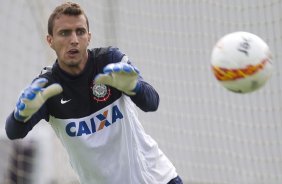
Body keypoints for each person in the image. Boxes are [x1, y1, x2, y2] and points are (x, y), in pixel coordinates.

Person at [5, 2, 183, 184]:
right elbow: (13, 132)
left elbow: (152, 103)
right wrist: (21, 115)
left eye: (80, 32)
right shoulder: (46, 87)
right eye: (64, 33)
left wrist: (134, 87)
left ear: (89, 37)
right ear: (50, 40)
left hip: (158, 178)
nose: (73, 39)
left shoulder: (110, 61)